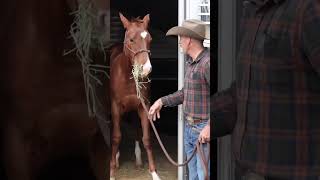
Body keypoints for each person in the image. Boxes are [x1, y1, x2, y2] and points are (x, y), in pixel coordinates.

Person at [211, 0, 320, 179]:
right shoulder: (252, 12)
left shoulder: (309, 11)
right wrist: (201, 116)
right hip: (247, 172)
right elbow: (246, 94)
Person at [148, 19, 210, 180]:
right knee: (193, 175)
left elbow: (219, 98)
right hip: (190, 129)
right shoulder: (191, 63)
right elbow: (185, 93)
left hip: (203, 130)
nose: (179, 42)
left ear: (189, 40)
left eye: (181, 38)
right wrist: (161, 101)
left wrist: (210, 126)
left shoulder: (207, 63)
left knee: (203, 175)